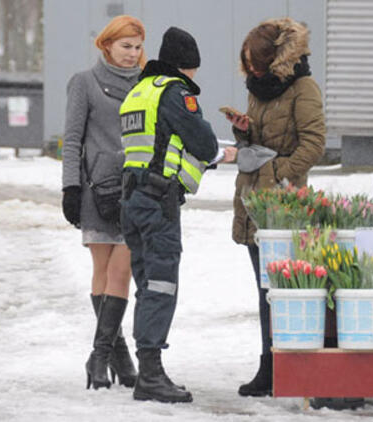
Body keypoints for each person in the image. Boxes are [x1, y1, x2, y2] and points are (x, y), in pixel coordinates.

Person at [119, 26, 235, 404]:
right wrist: (220, 152)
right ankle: (150, 374)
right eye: (194, 70)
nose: (194, 77)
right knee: (161, 284)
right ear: (186, 66)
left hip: (132, 201)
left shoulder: (139, 91)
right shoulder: (174, 92)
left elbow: (158, 143)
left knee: (146, 285)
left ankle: (146, 369)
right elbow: (200, 141)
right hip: (157, 202)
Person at [227, 17, 326, 397]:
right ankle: (269, 369)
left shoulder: (304, 88)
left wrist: (277, 172)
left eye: (256, 61)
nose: (250, 69)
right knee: (263, 290)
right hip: (254, 199)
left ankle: (288, 369)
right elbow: (261, 134)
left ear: (275, 58)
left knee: (283, 292)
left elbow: (313, 144)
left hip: (285, 202)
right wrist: (243, 129)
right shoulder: (258, 88)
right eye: (247, 62)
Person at [61, 15, 147, 390]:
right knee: (102, 267)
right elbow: (72, 139)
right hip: (98, 189)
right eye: (125, 46)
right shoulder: (84, 82)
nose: (132, 54)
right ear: (107, 45)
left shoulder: (149, 84)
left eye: (138, 47)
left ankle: (101, 356)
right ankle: (119, 354)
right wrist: (70, 188)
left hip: (137, 189)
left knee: (122, 270)